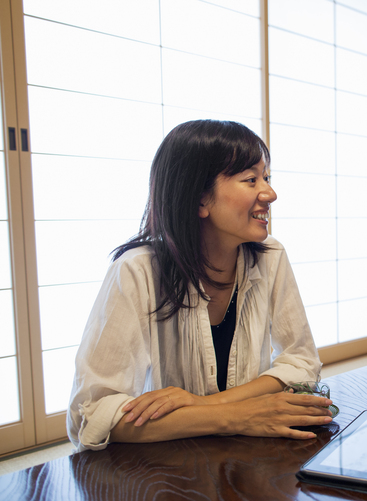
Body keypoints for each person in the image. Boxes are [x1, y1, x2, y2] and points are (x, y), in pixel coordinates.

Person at [68, 120, 332, 452]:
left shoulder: (270, 256)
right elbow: (90, 416)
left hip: (250, 457)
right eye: (251, 180)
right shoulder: (136, 271)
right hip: (167, 470)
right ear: (199, 199)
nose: (269, 193)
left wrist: (204, 406)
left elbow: (303, 361)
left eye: (267, 178)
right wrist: (236, 417)